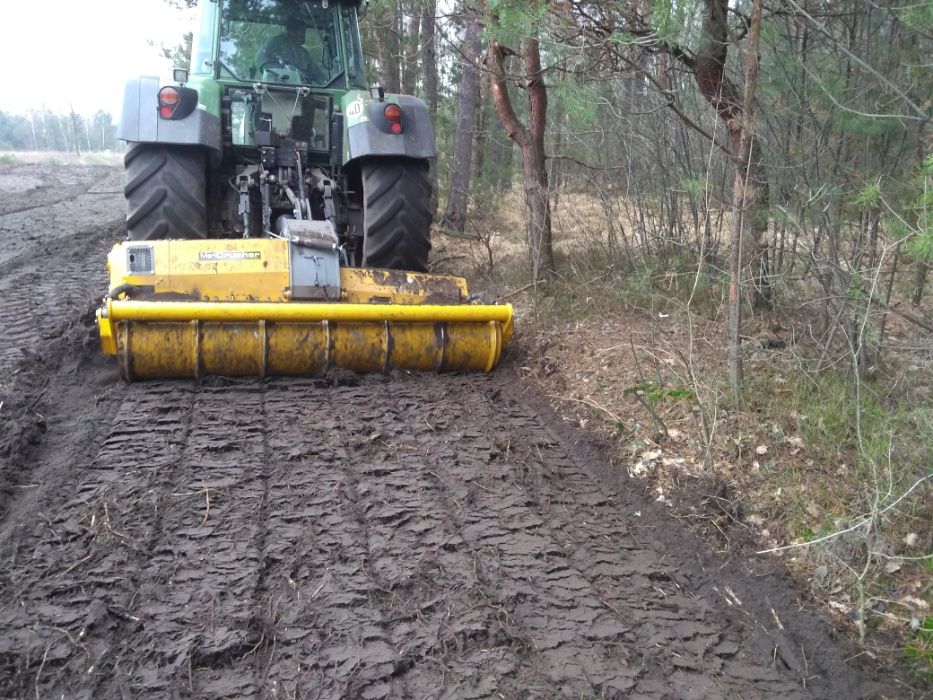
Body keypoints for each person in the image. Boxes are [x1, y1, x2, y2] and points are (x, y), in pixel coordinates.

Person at [256, 15, 325, 83]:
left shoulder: (303, 53)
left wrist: (326, 83)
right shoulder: (276, 43)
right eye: (302, 31)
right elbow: (261, 57)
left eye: (304, 31)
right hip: (280, 87)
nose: (304, 35)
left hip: (304, 90)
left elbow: (317, 73)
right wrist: (279, 71)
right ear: (291, 31)